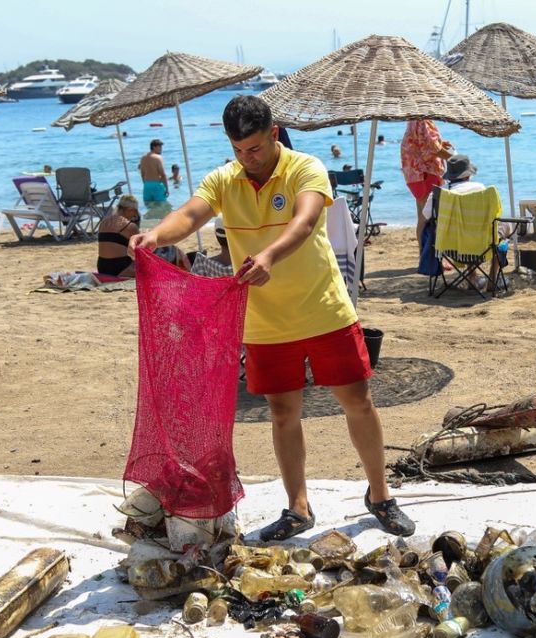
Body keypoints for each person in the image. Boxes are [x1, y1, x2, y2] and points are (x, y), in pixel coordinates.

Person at [129, 94, 415, 541]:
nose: (248, 159)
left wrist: (267, 256)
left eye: (256, 149)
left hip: (323, 310)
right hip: (263, 322)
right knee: (283, 413)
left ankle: (380, 496)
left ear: (274, 134)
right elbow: (189, 215)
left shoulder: (305, 167)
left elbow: (303, 222)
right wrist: (154, 235)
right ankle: (298, 507)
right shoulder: (226, 179)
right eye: (239, 151)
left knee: (356, 400)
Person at [421, 155, 496, 293]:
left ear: (450, 176)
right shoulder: (481, 189)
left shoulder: (441, 192)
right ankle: (492, 278)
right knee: (497, 230)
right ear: (468, 175)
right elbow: (493, 214)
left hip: (449, 246)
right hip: (481, 243)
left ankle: (472, 277)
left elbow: (426, 215)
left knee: (457, 230)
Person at [401, 119, 454, 247]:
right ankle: (429, 259)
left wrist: (440, 143)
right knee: (429, 217)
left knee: (423, 215)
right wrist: (454, 159)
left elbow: (422, 142)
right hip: (425, 171)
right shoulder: (423, 120)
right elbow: (432, 147)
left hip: (414, 173)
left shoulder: (413, 120)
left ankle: (424, 256)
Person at [139, 139, 170, 205]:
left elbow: (142, 174)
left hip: (147, 185)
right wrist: (167, 188)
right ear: (154, 147)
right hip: (157, 185)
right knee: (162, 207)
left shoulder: (143, 158)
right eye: (160, 147)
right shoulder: (158, 157)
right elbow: (163, 174)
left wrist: (146, 184)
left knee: (149, 207)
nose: (161, 149)